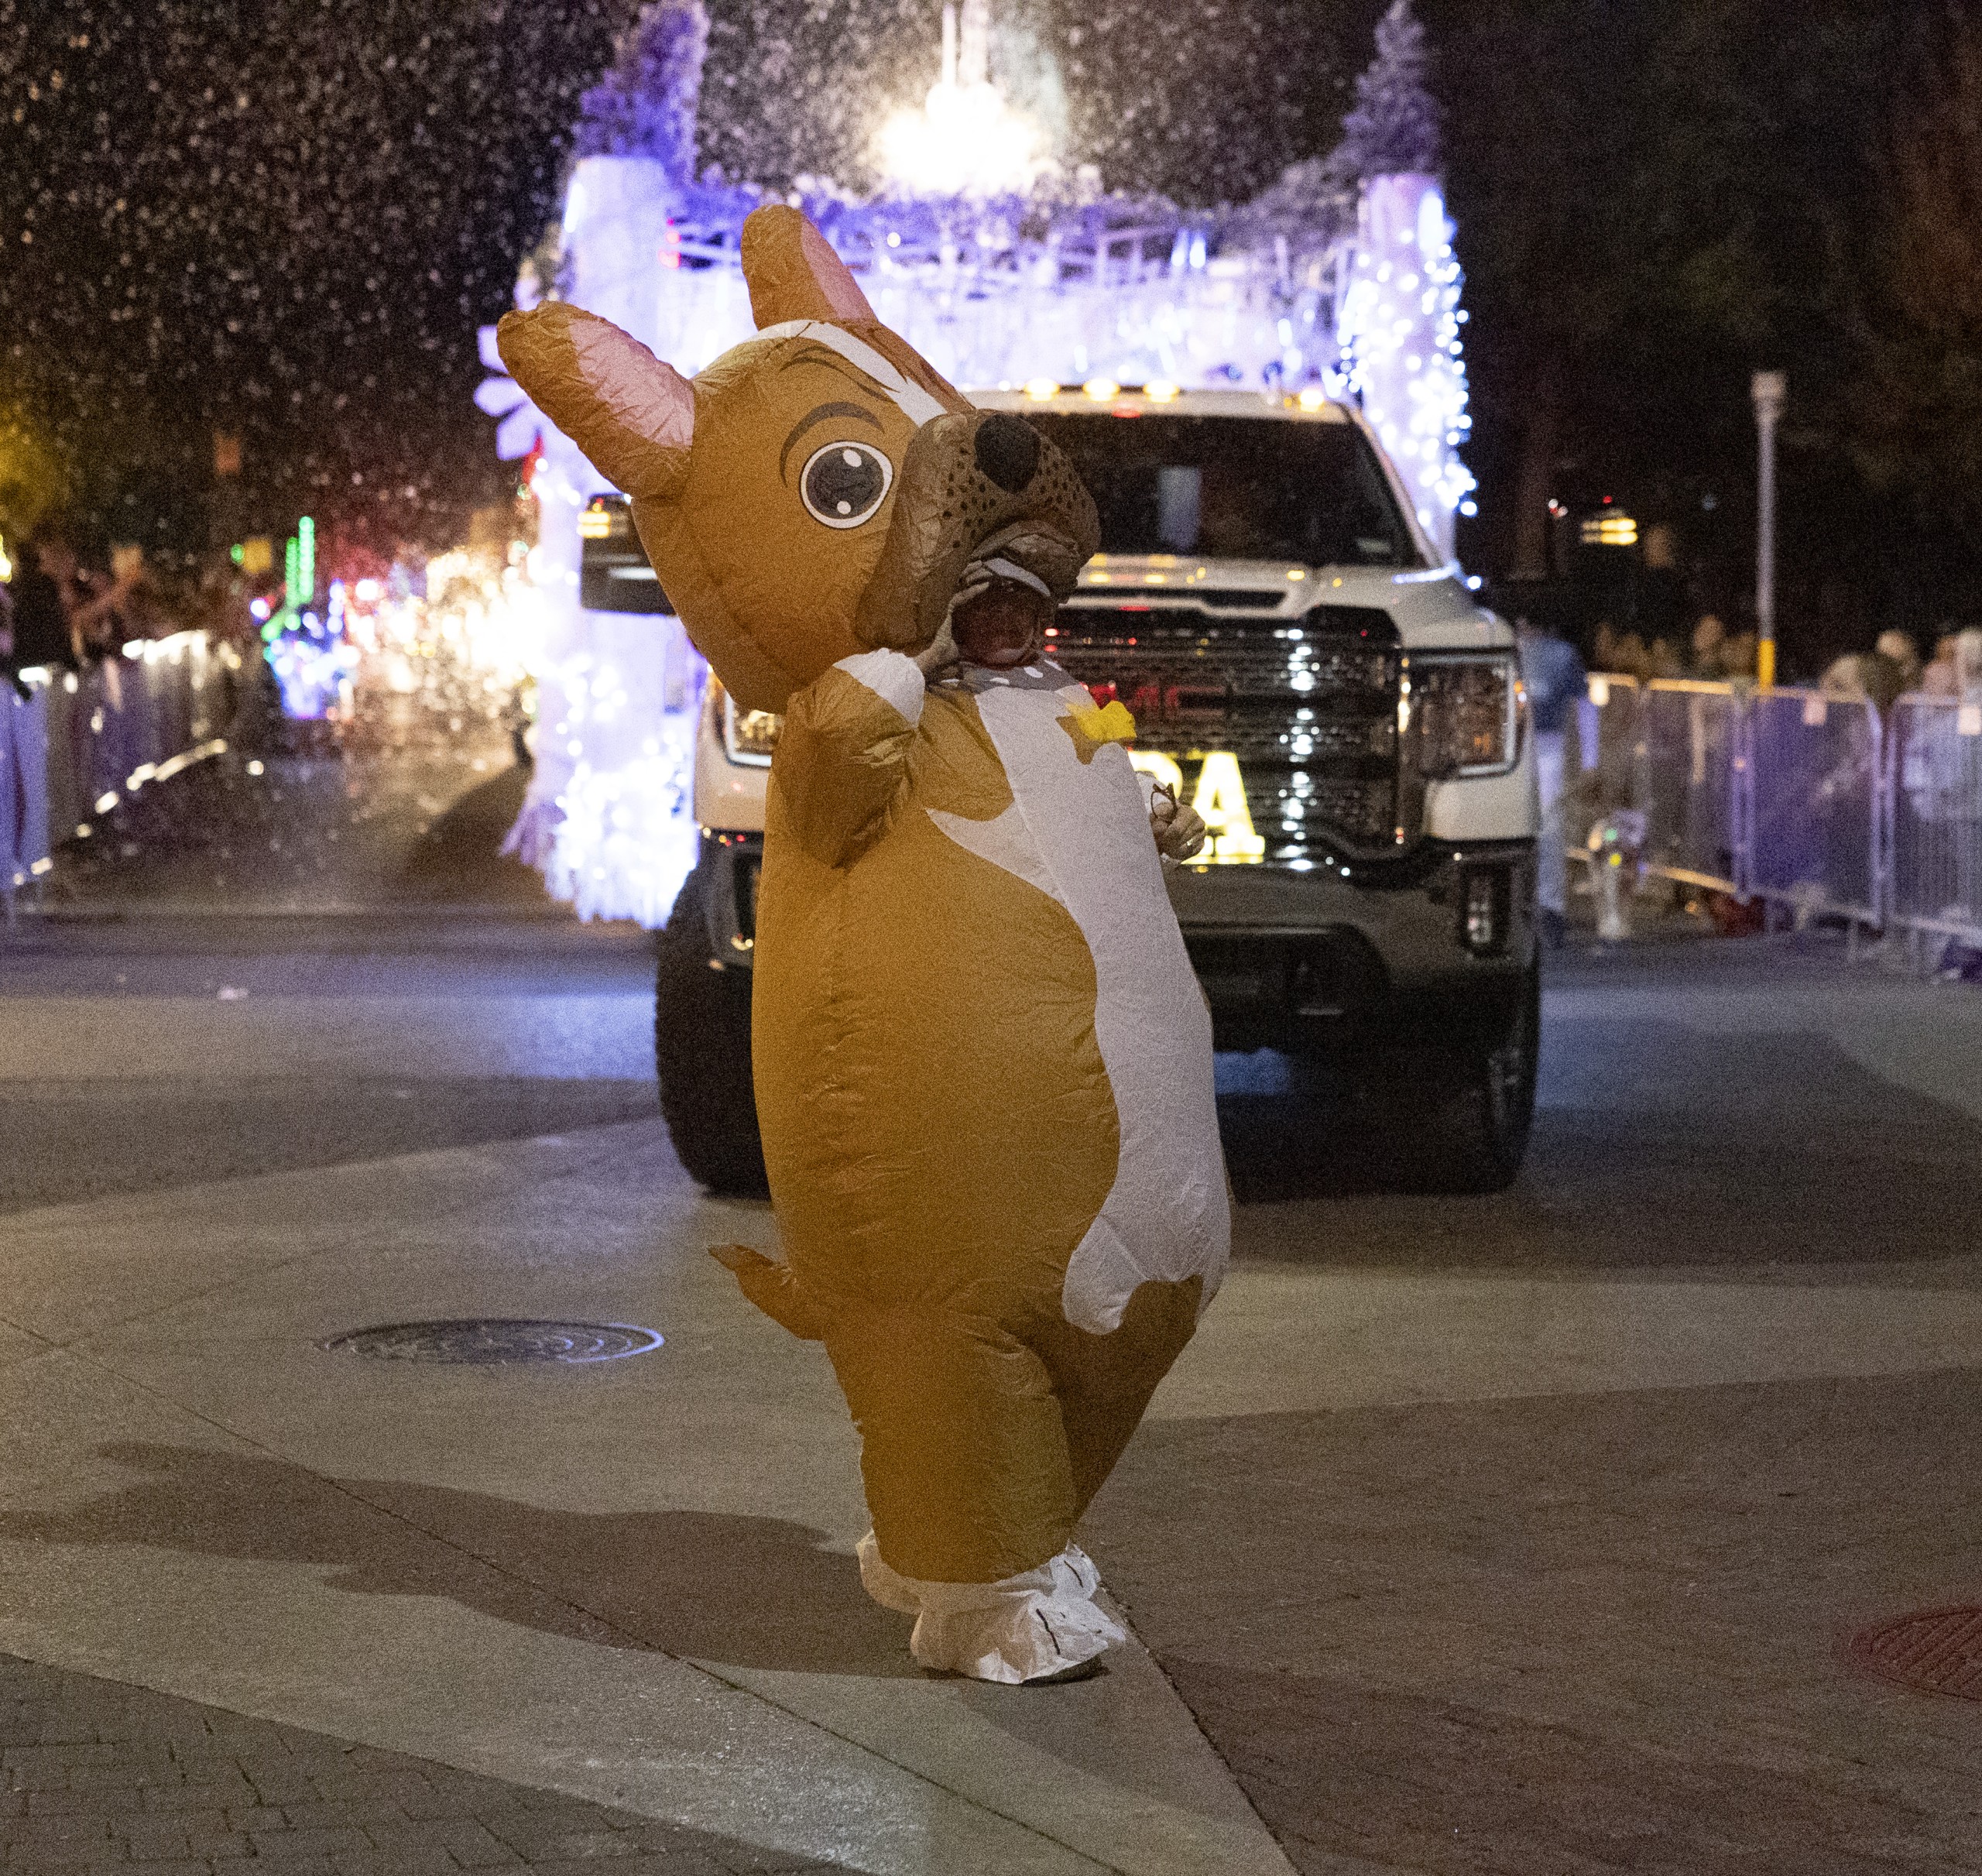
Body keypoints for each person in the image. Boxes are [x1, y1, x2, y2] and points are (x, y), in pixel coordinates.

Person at [1517, 613, 1586, 945]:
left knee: (1545, 828)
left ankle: (1545, 908)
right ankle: (1544, 906)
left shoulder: (1552, 655)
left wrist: (1590, 759)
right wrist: (1589, 759)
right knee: (1547, 828)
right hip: (1536, 749)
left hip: (1535, 748)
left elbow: (1583, 704)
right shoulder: (1557, 654)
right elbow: (1585, 706)